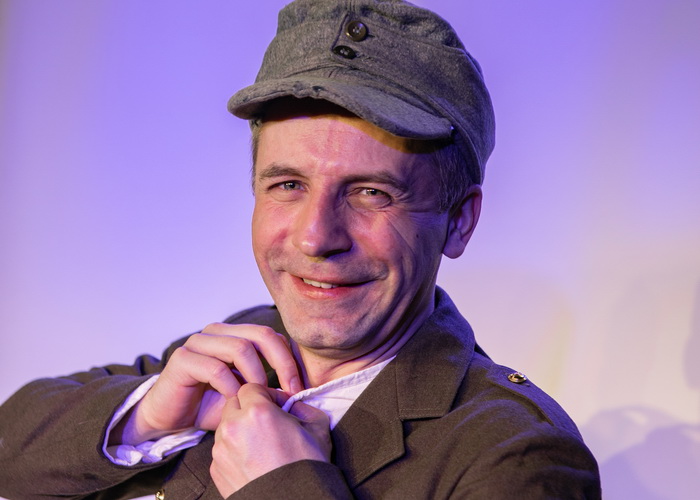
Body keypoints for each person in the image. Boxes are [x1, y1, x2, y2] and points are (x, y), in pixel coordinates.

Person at [0, 0, 601, 498]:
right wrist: (149, 416)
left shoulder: (518, 456)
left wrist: (283, 488)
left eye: (371, 193)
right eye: (288, 185)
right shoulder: (246, 343)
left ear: (459, 222)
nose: (315, 238)